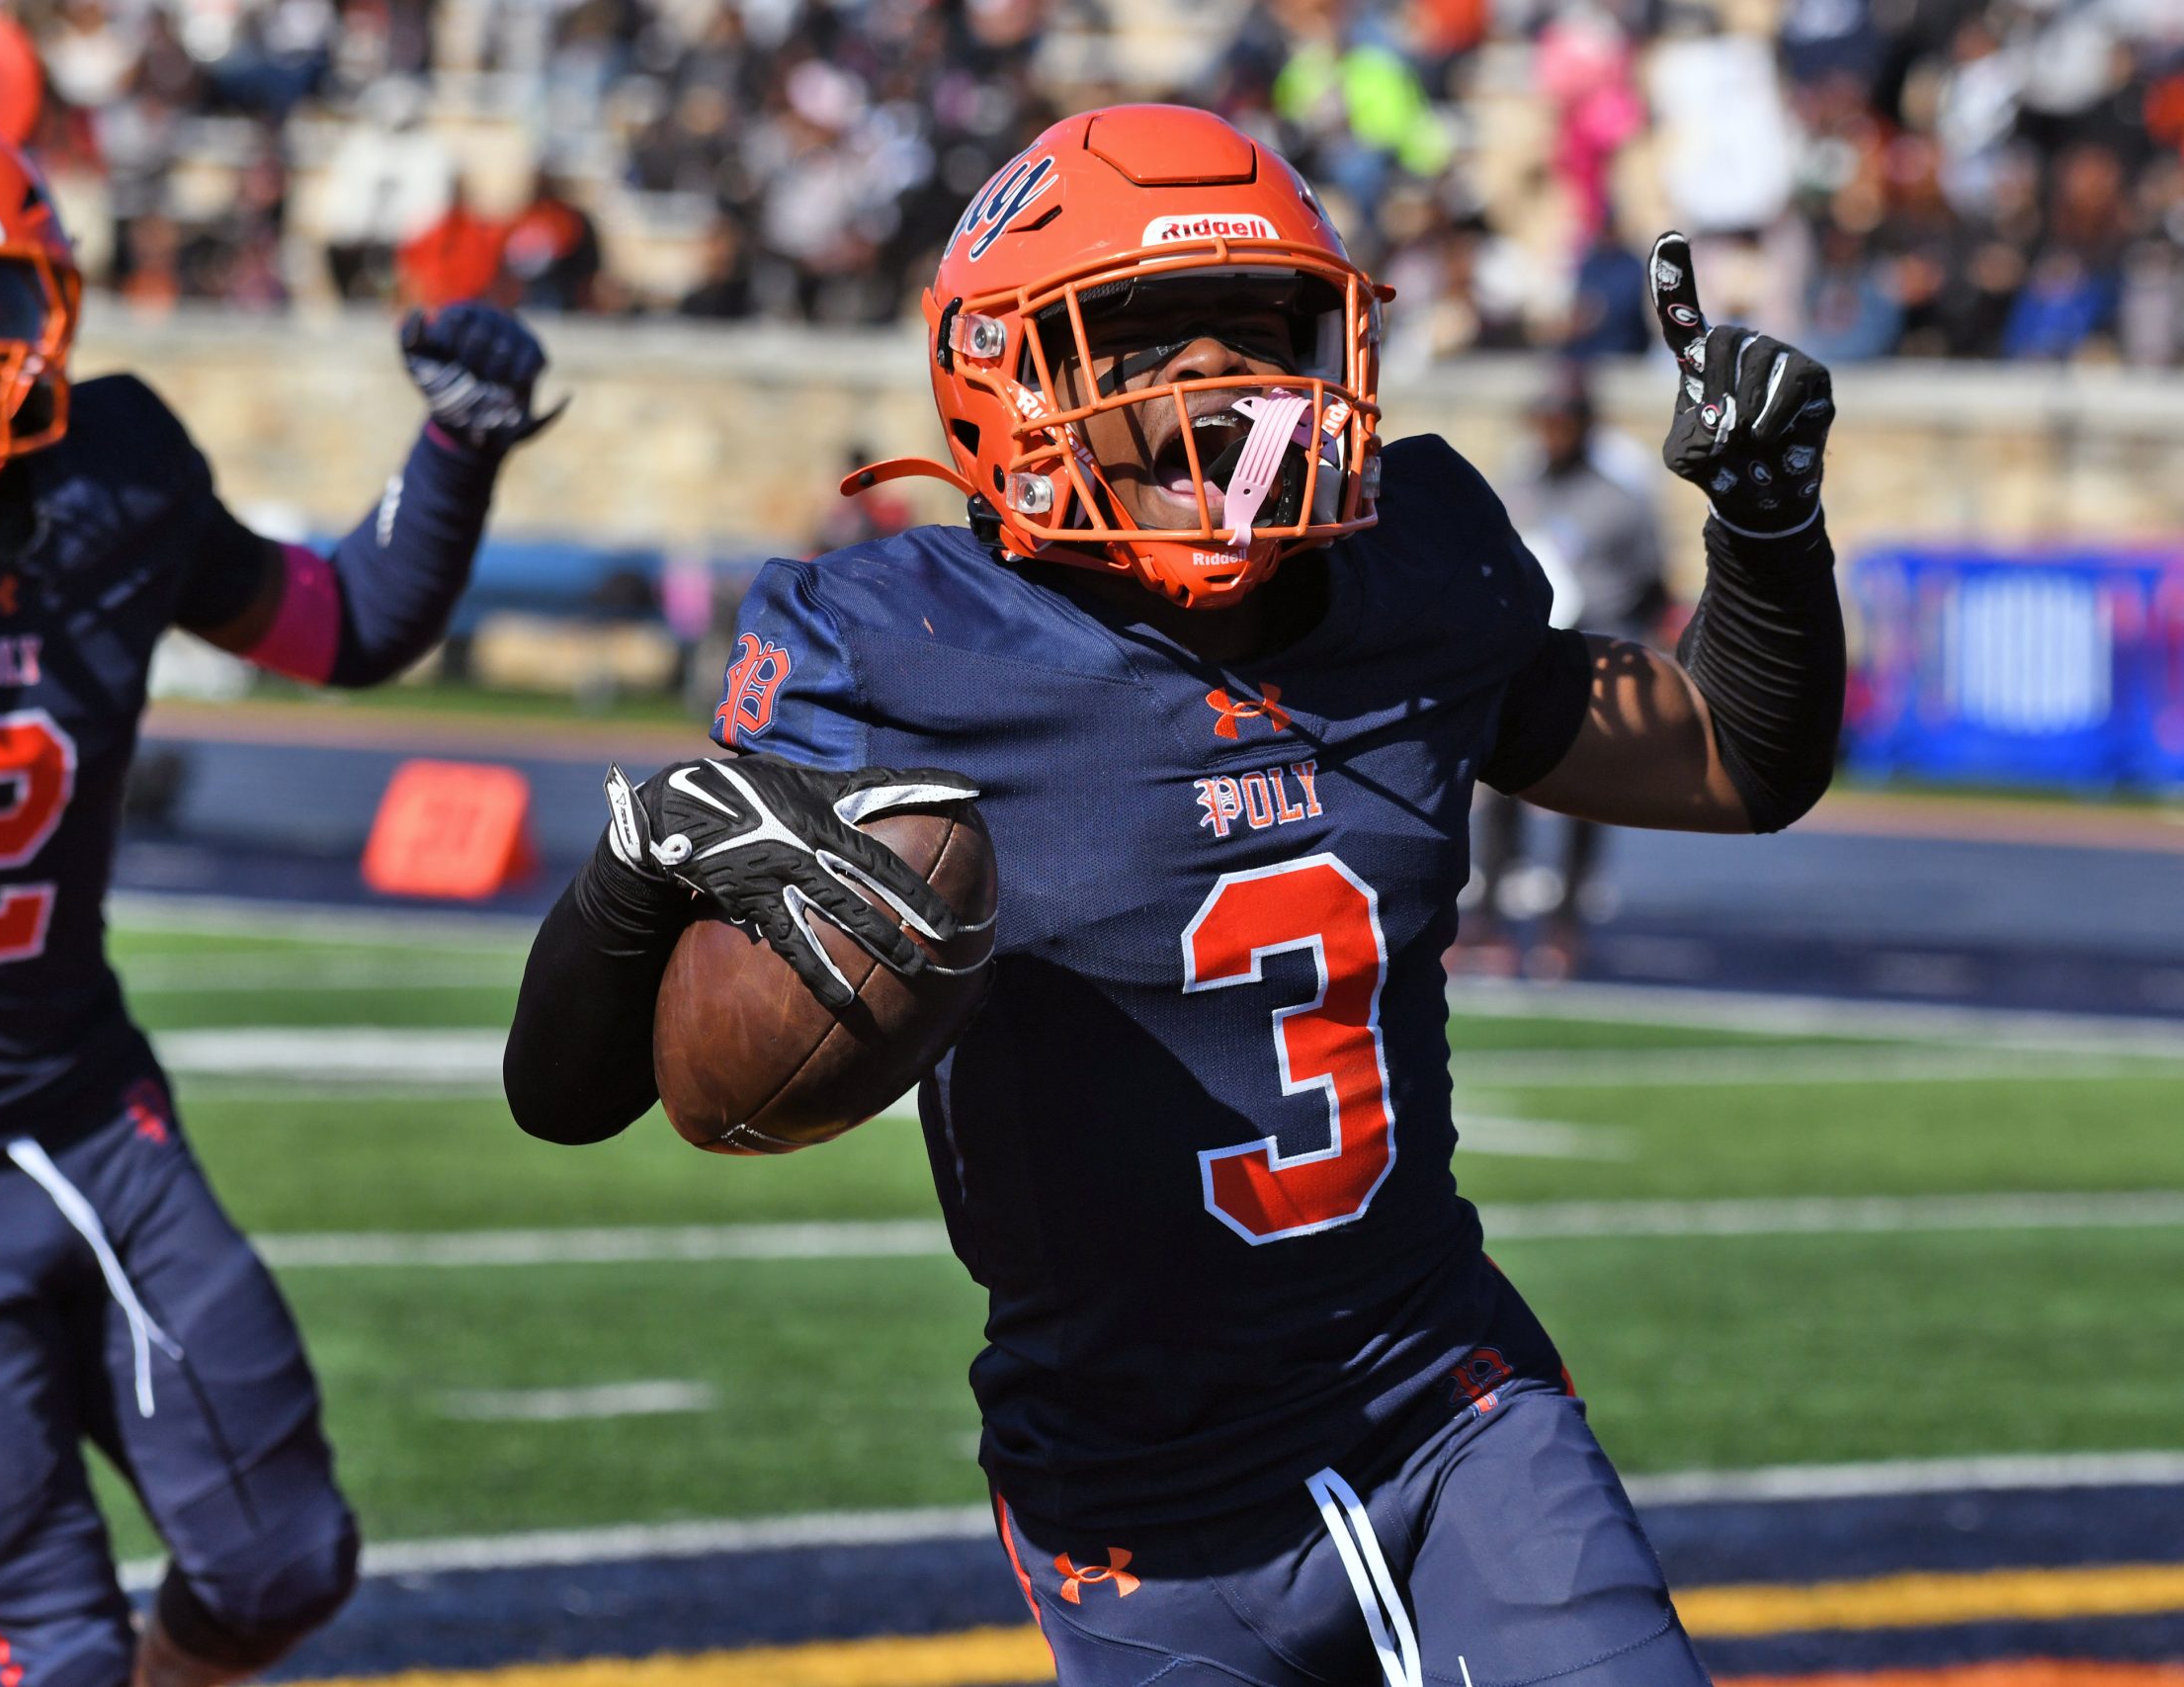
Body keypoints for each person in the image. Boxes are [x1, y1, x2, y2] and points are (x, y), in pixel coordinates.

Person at [504, 105, 1843, 1685]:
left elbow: (1734, 763)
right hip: (1133, 1506)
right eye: (1140, 341)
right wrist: (641, 859)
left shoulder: (1408, 584)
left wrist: (1769, 529)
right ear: (1003, 376)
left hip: (1449, 1405)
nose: (1224, 388)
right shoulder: (903, 649)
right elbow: (565, 1094)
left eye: (1264, 332)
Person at [0, 101, 553, 1687]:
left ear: (53, 305)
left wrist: (457, 448)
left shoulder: (115, 471)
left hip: (89, 1110)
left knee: (285, 1564)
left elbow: (338, 623)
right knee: (57, 1641)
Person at [1465, 363, 1670, 978]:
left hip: (1593, 659)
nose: (1552, 431)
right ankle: (1494, 917)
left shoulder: (1621, 501)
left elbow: (1652, 587)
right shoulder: (1517, 487)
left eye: (1563, 419)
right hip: (1527, 657)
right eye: (1544, 419)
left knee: (1585, 797)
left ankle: (1567, 921)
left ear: (1583, 425)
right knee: (1502, 788)